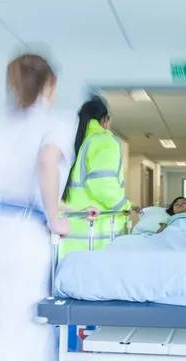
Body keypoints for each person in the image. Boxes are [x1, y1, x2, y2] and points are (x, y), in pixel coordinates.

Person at [0, 54, 92, 361]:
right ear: (50, 85)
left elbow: (10, 187)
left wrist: (57, 213)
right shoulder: (54, 121)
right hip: (21, 239)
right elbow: (45, 162)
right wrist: (56, 218)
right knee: (10, 345)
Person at [60, 95, 131, 254]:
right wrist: (124, 206)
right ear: (106, 120)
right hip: (95, 234)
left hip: (71, 234)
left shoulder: (75, 141)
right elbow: (103, 185)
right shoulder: (103, 140)